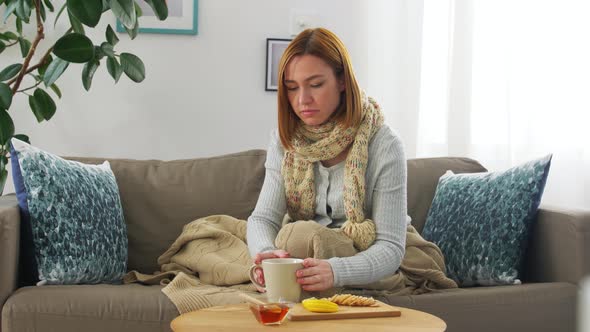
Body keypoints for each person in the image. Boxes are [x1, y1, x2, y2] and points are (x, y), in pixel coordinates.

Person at [246, 27, 409, 293]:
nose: (302, 100)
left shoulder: (385, 144)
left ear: (342, 81)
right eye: (291, 88)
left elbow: (390, 247)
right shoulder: (285, 140)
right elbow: (263, 219)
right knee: (211, 237)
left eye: (316, 84)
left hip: (362, 252)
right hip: (302, 253)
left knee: (301, 237)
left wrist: (335, 271)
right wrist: (267, 256)